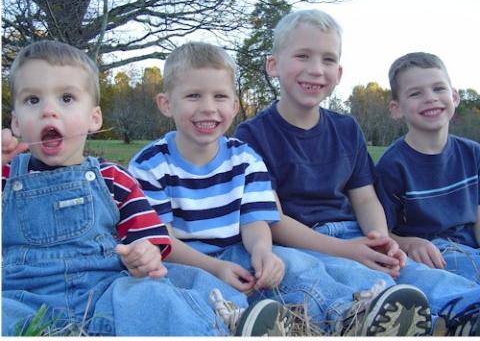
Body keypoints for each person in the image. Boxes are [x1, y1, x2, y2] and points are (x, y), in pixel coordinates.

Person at [128, 40, 433, 336]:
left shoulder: (244, 157)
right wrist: (215, 268)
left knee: (296, 264)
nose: (208, 108)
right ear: (166, 104)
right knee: (179, 286)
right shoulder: (151, 165)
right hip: (184, 257)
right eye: (193, 96)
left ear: (235, 106)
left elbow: (255, 219)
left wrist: (262, 251)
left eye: (220, 97)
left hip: (239, 250)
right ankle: (236, 324)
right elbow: (161, 238)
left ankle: (350, 313)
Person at [1, 39, 289, 337]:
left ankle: (221, 324)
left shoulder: (114, 179)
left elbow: (150, 237)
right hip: (21, 295)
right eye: (33, 100)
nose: (49, 111)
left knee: (151, 295)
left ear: (94, 118)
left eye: (66, 99)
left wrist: (146, 254)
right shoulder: (7, 179)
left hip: (105, 292)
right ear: (17, 122)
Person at [234, 9, 480, 336]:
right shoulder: (252, 135)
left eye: (327, 59)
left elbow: (364, 198)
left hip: (350, 232)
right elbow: (273, 220)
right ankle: (361, 315)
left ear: (339, 72)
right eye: (303, 56)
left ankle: (465, 307)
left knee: (407, 269)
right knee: (306, 271)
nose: (315, 69)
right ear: (273, 65)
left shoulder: (346, 128)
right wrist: (347, 251)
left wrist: (379, 239)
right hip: (296, 240)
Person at [375, 52, 480, 284]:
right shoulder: (393, 166)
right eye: (415, 93)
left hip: (471, 249)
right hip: (432, 257)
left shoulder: (473, 154)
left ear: (454, 96)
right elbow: (380, 233)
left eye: (438, 89)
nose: (430, 98)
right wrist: (410, 243)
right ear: (396, 108)